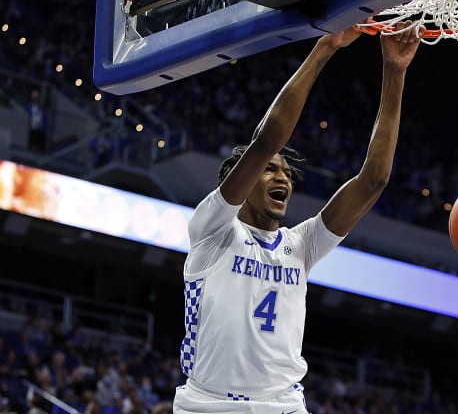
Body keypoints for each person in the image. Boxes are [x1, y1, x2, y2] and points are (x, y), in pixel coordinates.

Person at [173, 21, 420, 414]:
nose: (283, 178)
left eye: (287, 174)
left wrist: (396, 70)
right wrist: (326, 47)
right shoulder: (213, 230)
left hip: (283, 404)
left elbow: (374, 180)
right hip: (208, 404)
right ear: (243, 179)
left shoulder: (300, 245)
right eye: (270, 170)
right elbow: (269, 138)